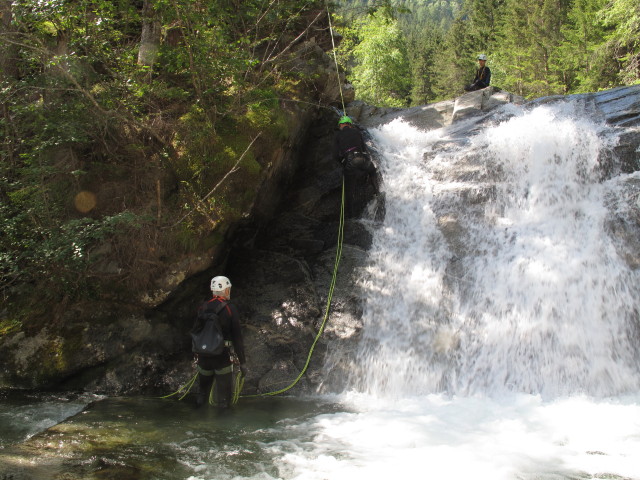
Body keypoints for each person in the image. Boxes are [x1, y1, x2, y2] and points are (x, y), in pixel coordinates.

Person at [191, 275, 247, 408]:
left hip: (204, 357)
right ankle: (222, 427)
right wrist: (243, 362)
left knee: (202, 394)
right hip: (222, 357)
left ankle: (197, 422)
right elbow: (237, 338)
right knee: (224, 399)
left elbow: (195, 331)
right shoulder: (229, 308)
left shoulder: (203, 307)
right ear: (226, 290)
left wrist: (196, 353)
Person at [333, 115, 379, 217]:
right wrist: (366, 160)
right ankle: (377, 192)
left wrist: (343, 162)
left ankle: (351, 215)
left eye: (340, 125)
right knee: (372, 170)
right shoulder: (357, 132)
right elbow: (364, 149)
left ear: (341, 125)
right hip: (361, 159)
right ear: (349, 124)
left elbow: (335, 154)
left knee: (349, 189)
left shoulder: (338, 135)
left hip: (349, 162)